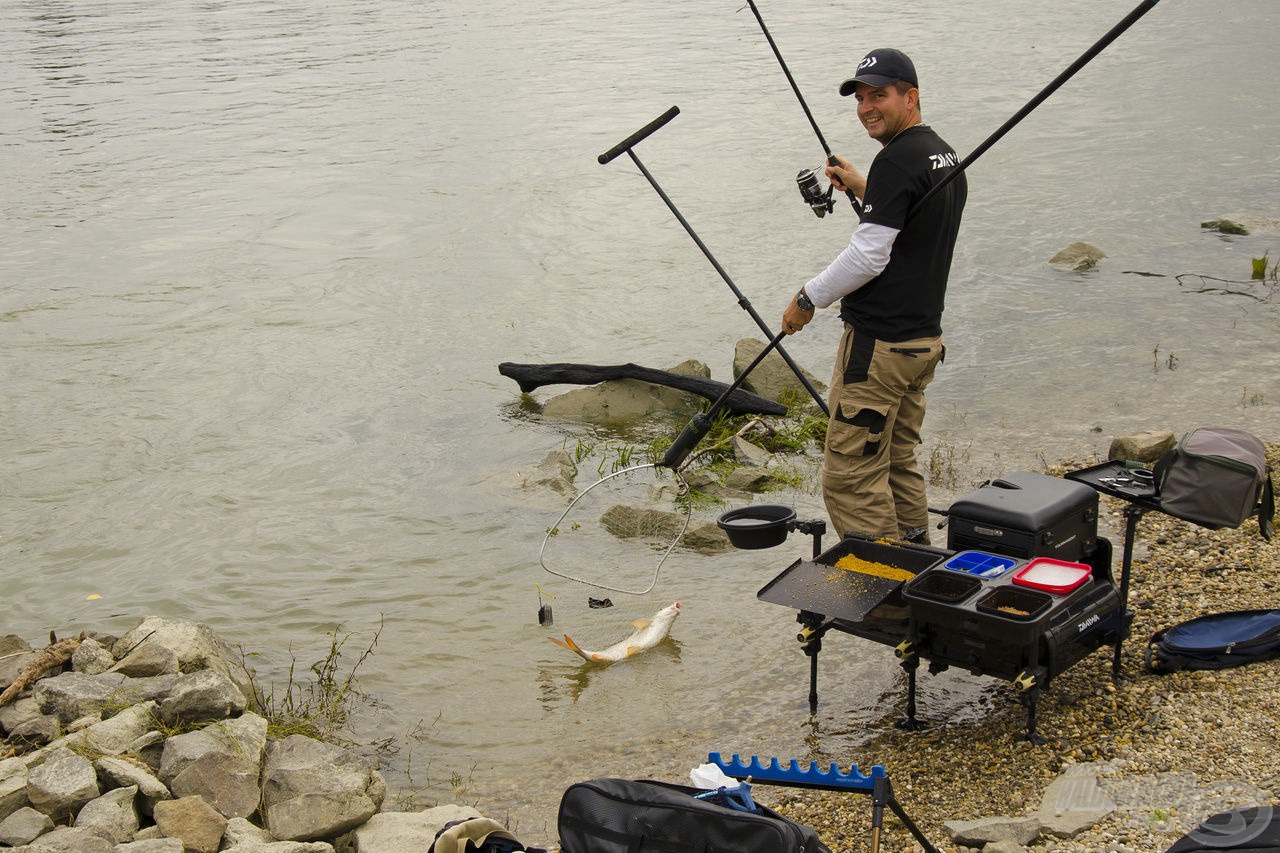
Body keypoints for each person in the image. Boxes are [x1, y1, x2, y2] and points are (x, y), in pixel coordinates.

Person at [780, 48, 966, 544]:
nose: (866, 107)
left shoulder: (897, 161)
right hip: (922, 343)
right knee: (895, 459)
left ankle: (887, 592)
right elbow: (912, 228)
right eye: (860, 97)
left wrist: (807, 297)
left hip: (879, 349)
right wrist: (867, 187)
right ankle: (917, 558)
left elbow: (868, 258)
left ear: (911, 96)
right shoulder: (940, 153)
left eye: (878, 95)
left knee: (850, 477)